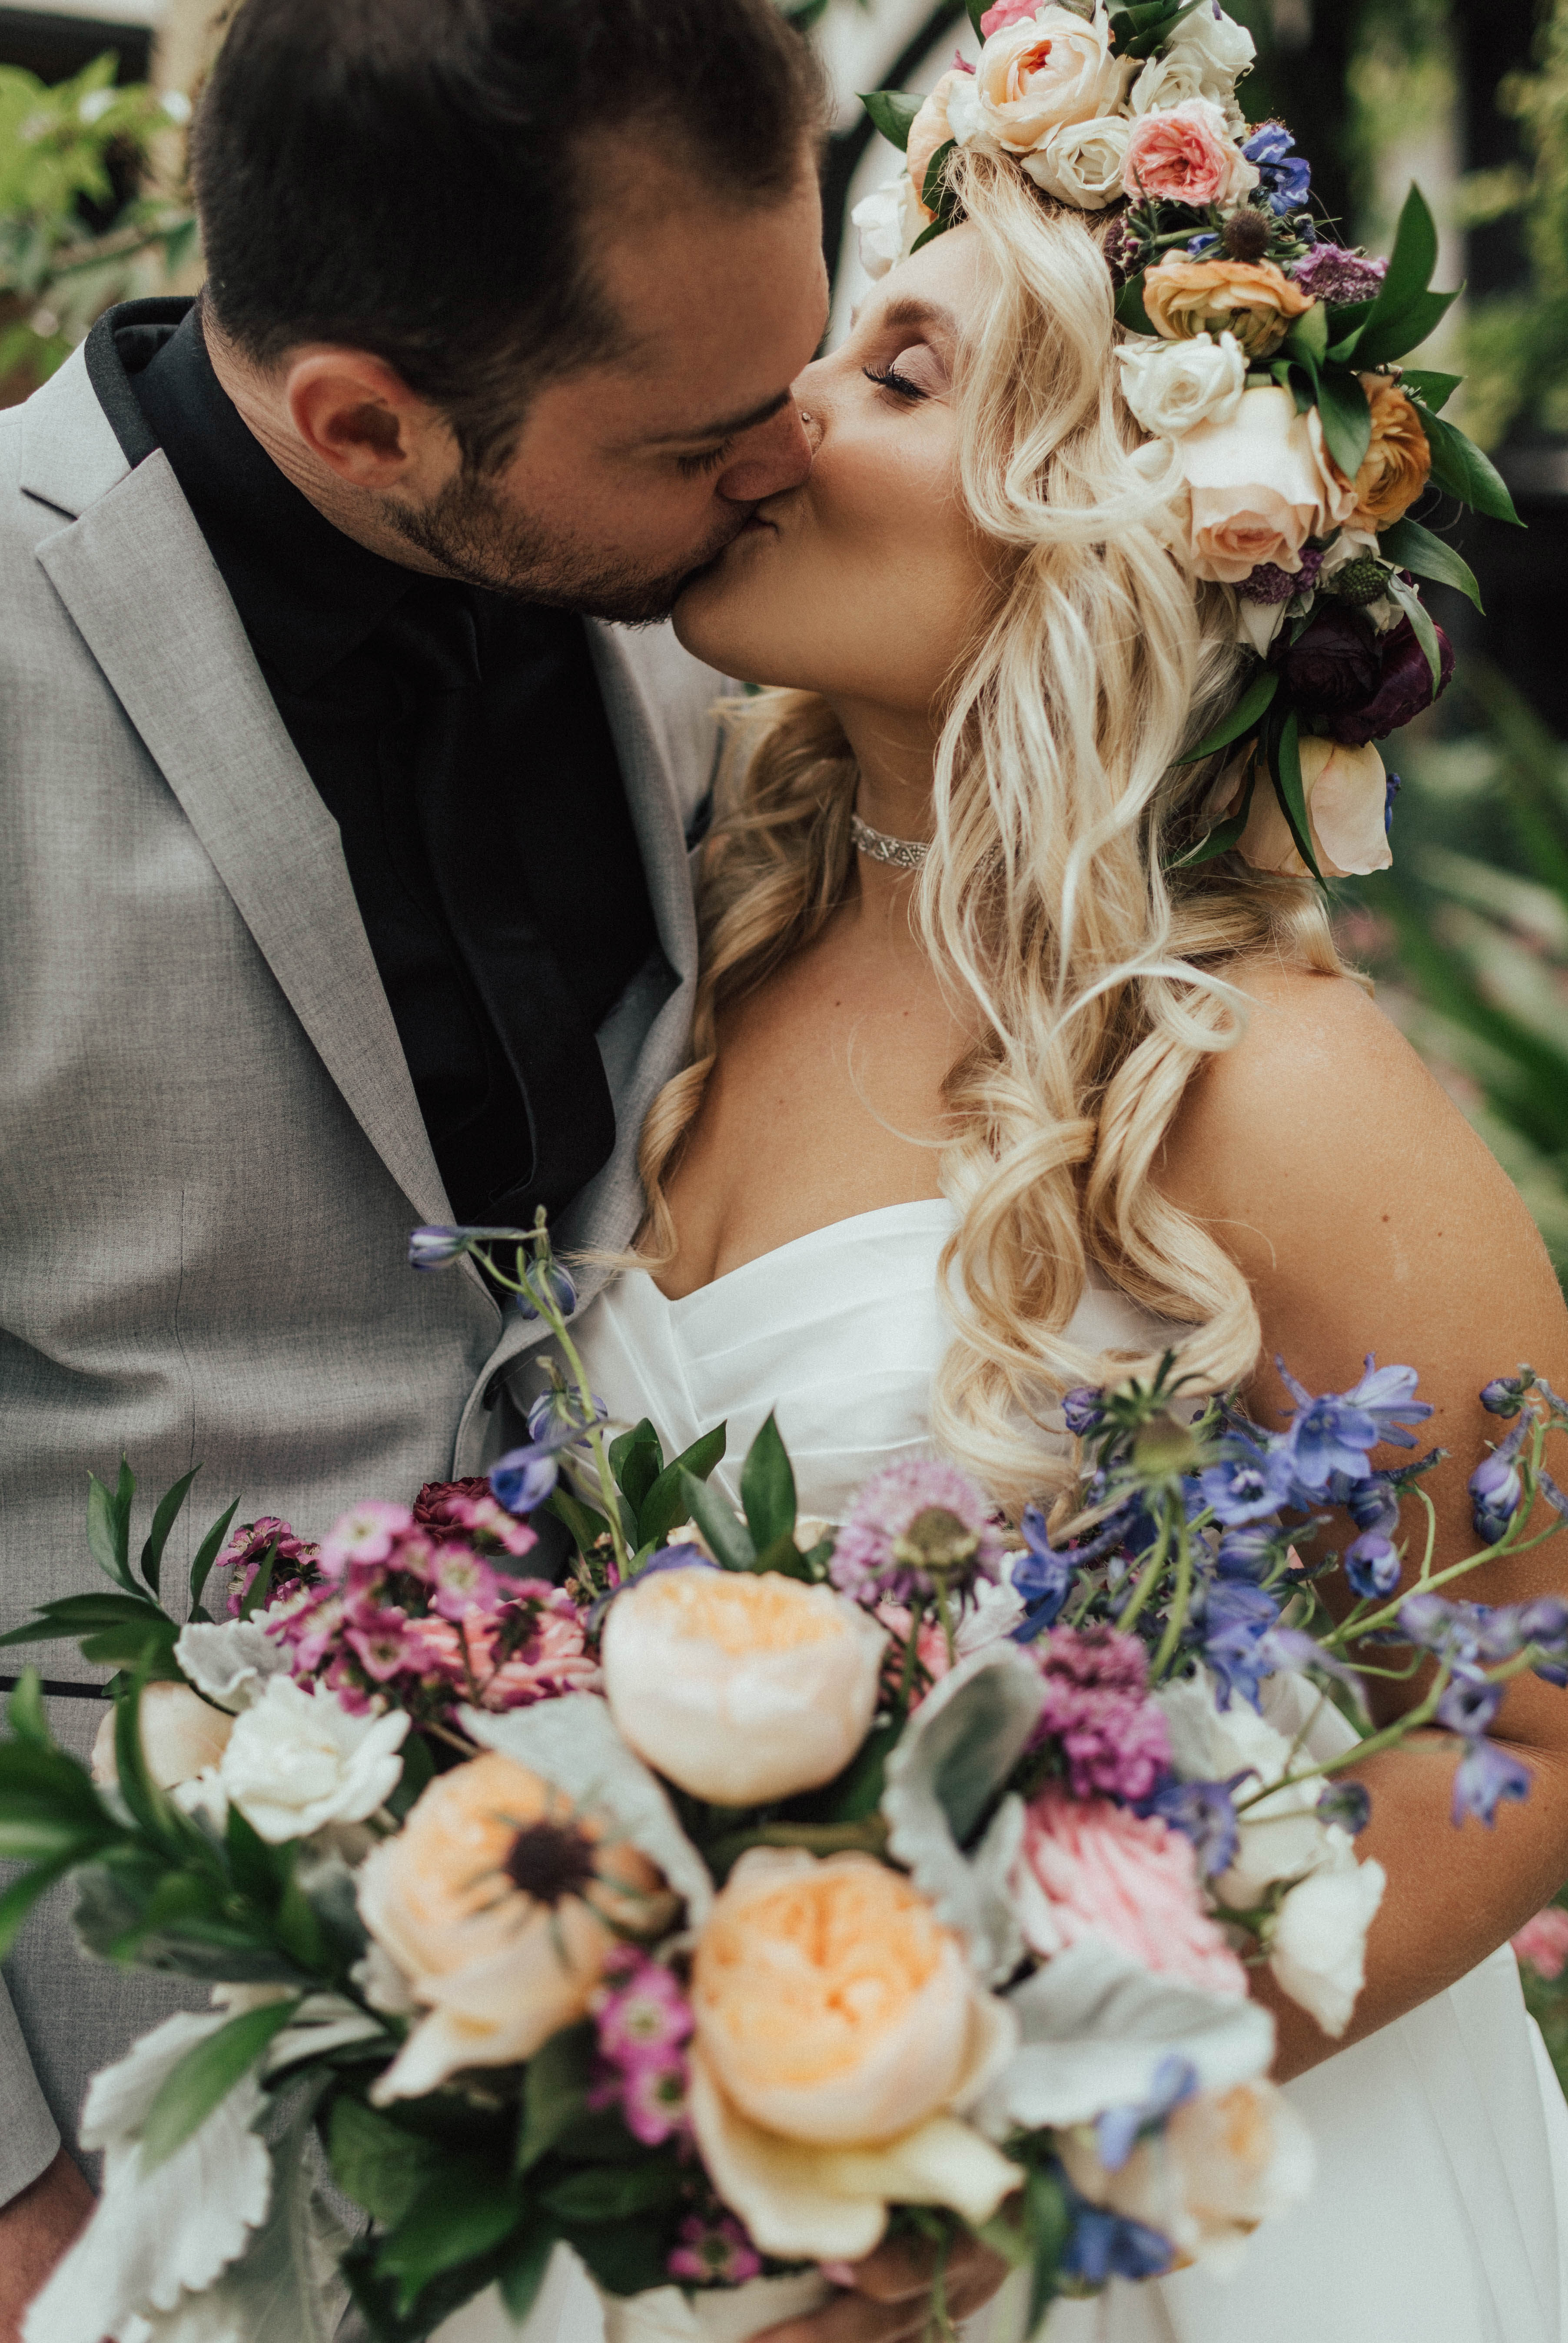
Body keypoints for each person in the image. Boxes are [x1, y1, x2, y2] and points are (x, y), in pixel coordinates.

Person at [0, 0, 829, 2335]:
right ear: (367, 418)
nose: (786, 470)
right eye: (709, 434)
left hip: (681, 2060)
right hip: (116, 2076)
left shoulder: (712, 604)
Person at [562, 161, 1568, 2336]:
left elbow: (1548, 1714)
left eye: (895, 370)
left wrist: (1012, 2143)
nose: (791, 411)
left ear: (1093, 517)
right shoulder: (684, 907)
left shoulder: (1258, 1076)